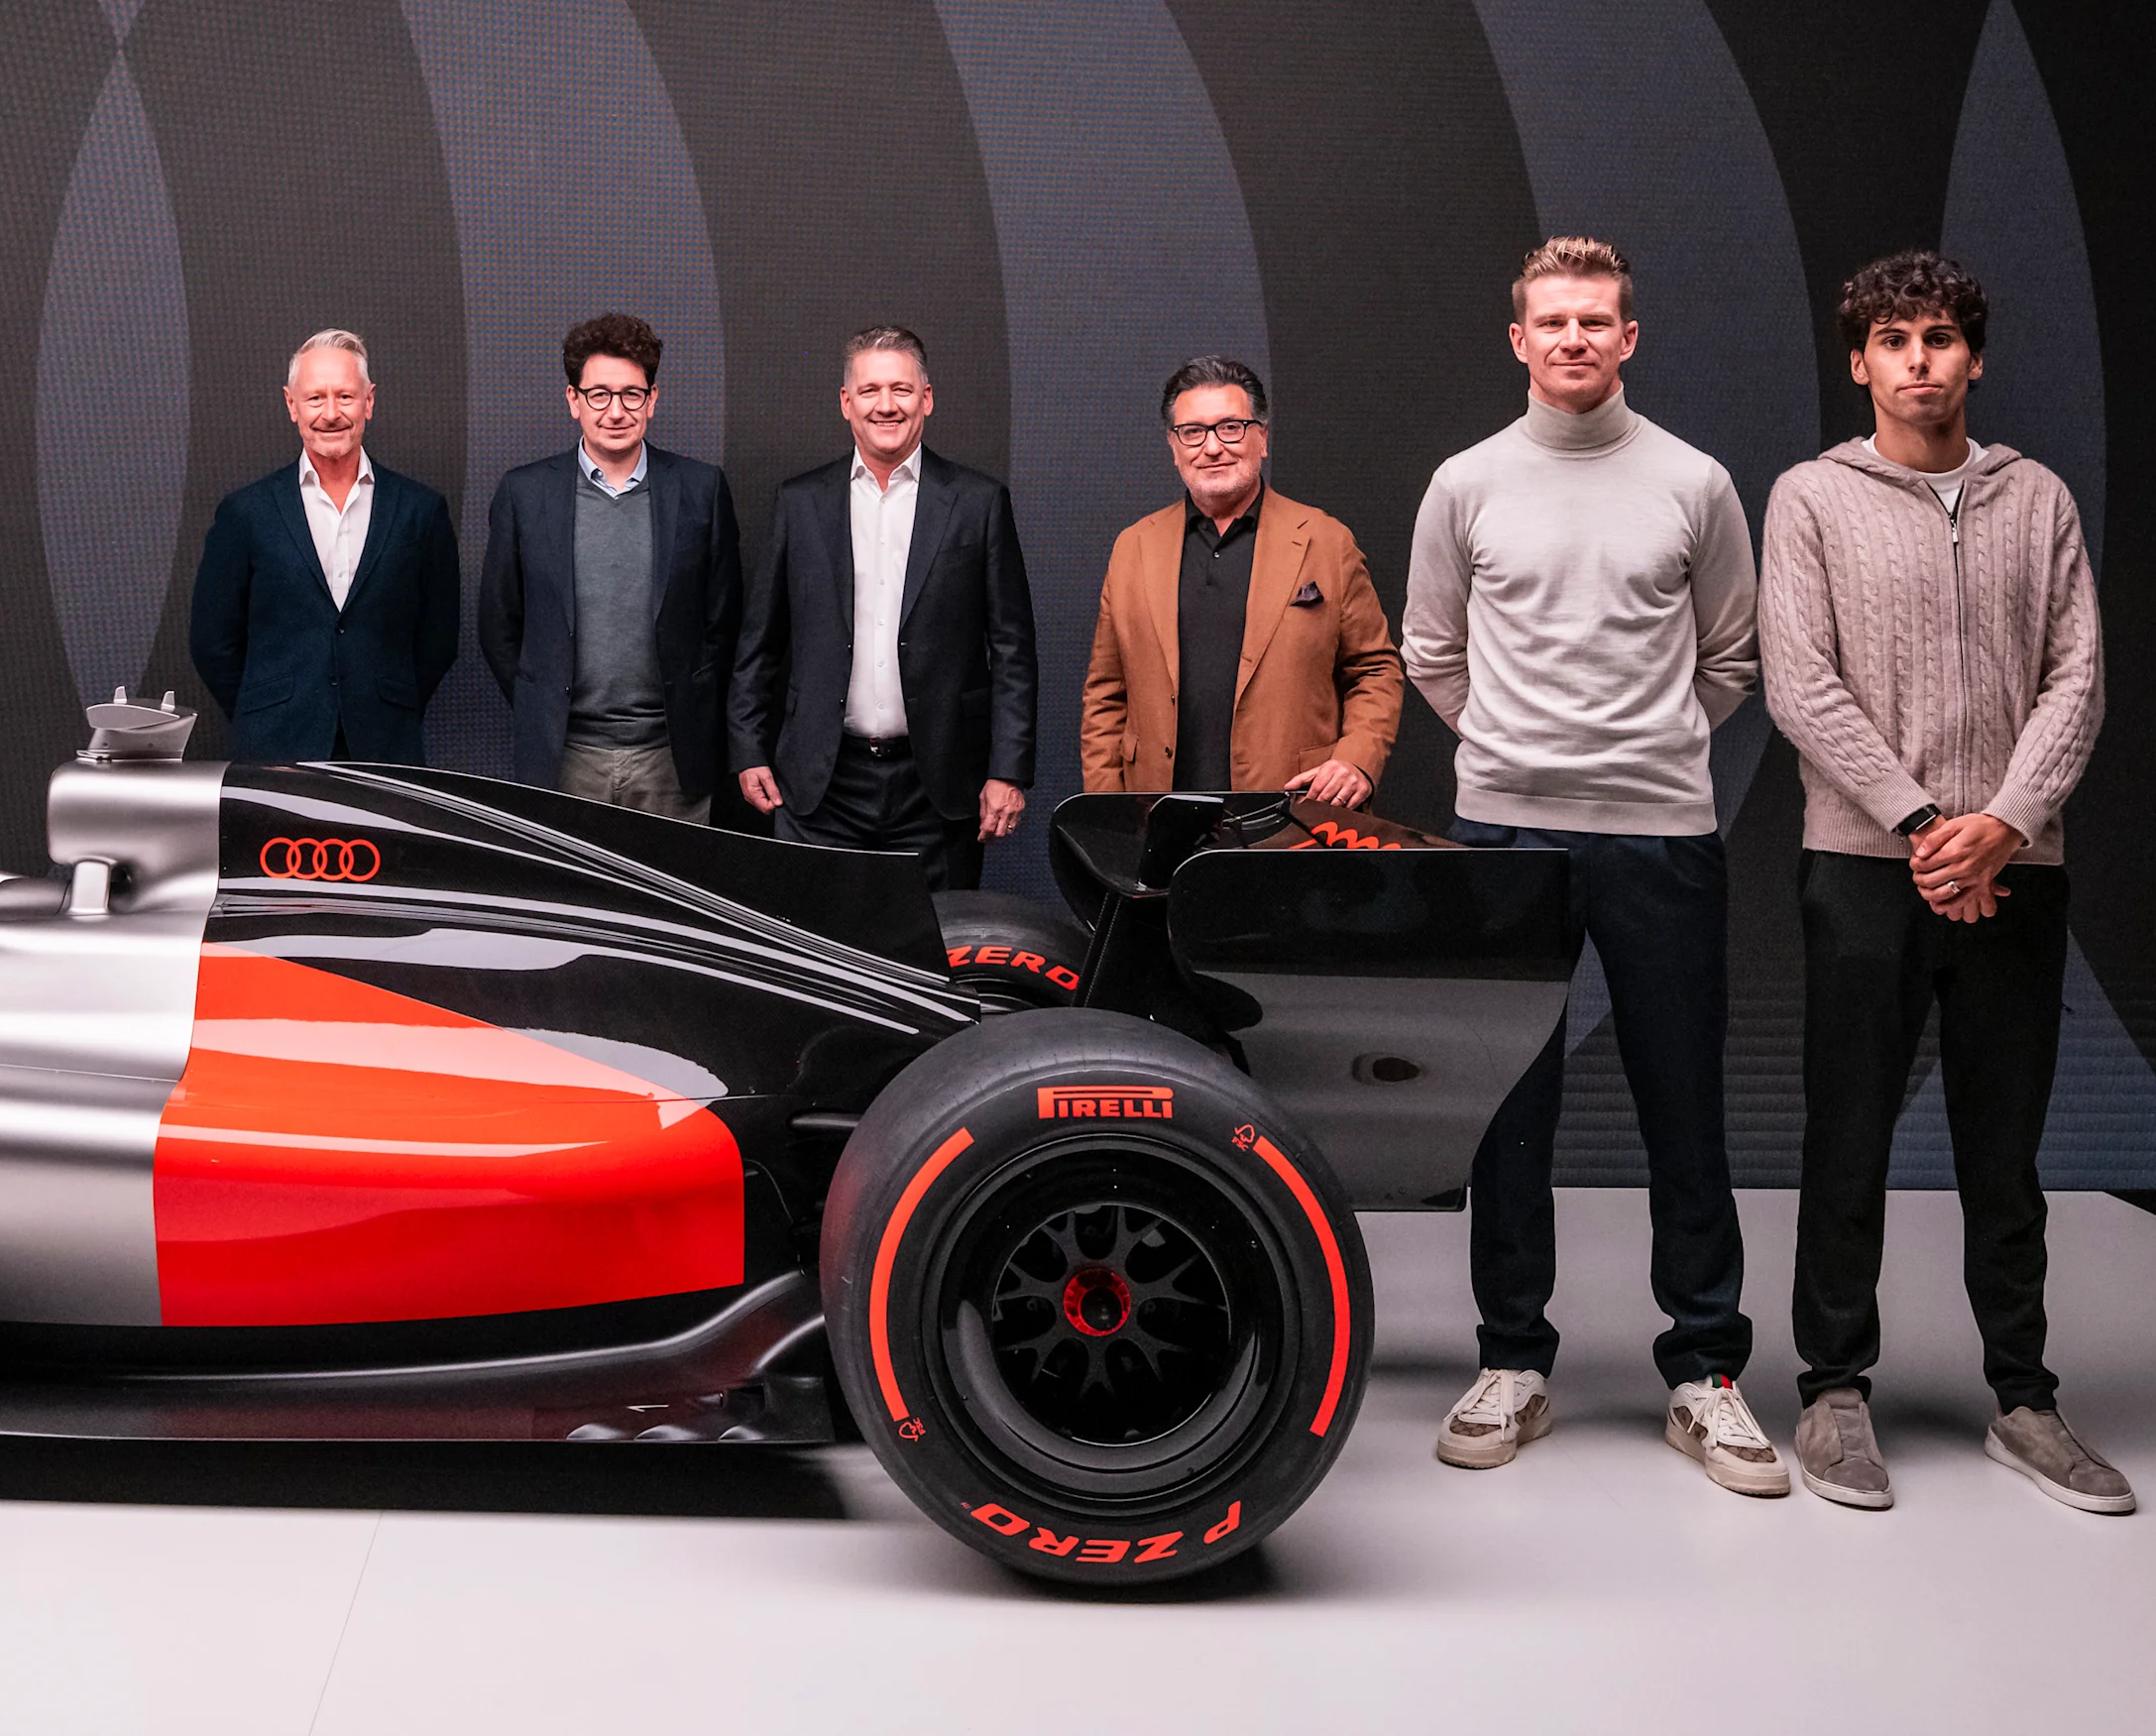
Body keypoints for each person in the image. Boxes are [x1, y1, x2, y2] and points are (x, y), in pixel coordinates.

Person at [1404, 237, 1778, 1496]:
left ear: (1629, 339)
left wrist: (1640, 749)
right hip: (1505, 828)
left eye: (1594, 320)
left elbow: (1731, 656)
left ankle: (1705, 1372)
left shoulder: (1693, 482)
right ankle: (1511, 1358)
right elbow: (1428, 649)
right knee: (1510, 1107)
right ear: (1517, 340)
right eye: (1550, 321)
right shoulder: (1465, 483)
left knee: (1682, 1099)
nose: (1571, 338)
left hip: (1660, 830)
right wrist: (1515, 752)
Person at [1758, 250, 2123, 1514]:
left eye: (1940, 338)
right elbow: (1800, 683)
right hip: (1865, 865)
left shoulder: (2039, 500)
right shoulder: (1808, 499)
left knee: (2002, 1145)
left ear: (1973, 357)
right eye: (1893, 340)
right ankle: (1830, 1392)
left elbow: (2075, 678)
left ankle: (2023, 1400)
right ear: (1857, 362)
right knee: (1846, 1130)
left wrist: (2005, 826)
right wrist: (1927, 824)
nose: (1919, 360)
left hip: (2016, 872)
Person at [728, 325, 1033, 894]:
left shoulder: (979, 504)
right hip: (821, 785)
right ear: (846, 403)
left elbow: (1013, 650)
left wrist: (1007, 770)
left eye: (901, 389)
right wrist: (748, 748)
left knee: (933, 960)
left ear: (927, 398)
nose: (886, 405)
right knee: (816, 957)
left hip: (937, 788)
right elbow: (760, 642)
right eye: (869, 391)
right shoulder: (799, 503)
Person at [1079, 356, 1401, 803]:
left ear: (1262, 438)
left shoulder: (1326, 541)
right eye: (1192, 432)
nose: (1212, 447)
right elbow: (1106, 697)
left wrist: (1358, 759)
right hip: (1156, 811)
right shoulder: (1133, 548)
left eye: (1231, 427)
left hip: (1293, 811)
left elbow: (1375, 670)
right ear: (1174, 448)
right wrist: (1106, 810)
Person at [477, 313, 741, 819]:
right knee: (565, 899)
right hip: (562, 761)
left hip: (671, 762)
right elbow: (500, 627)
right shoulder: (525, 494)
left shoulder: (700, 490)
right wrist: (546, 708)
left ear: (653, 399)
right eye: (598, 394)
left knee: (670, 898)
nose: (615, 411)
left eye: (631, 395)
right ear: (573, 400)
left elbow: (724, 624)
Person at [189, 329, 459, 764]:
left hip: (386, 748)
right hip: (273, 750)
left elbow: (439, 638)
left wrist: (386, 703)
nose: (330, 413)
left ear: (369, 401)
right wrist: (266, 708)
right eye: (315, 399)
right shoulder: (245, 513)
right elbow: (212, 639)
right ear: (291, 404)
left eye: (345, 397)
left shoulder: (420, 511)